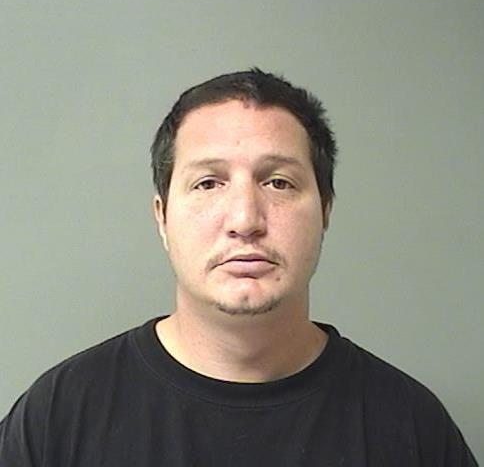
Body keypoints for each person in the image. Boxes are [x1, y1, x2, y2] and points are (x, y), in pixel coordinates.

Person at [0, 69, 478, 466]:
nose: (245, 220)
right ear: (162, 217)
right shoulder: (58, 416)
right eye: (209, 183)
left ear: (325, 211)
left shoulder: (412, 428)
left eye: (279, 182)